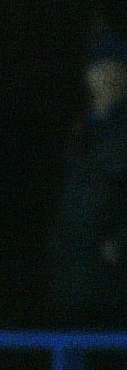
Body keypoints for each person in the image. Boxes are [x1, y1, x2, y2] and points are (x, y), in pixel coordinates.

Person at [48, 34, 127, 335]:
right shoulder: (80, 132)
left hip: (112, 281)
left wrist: (119, 244)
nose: (109, 78)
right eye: (101, 70)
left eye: (117, 70)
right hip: (72, 275)